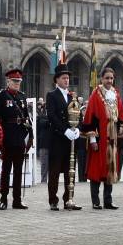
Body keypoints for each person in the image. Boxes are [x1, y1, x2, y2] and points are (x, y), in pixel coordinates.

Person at [81, 67, 123, 210]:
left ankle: (108, 200)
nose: (109, 81)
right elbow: (90, 118)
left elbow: (121, 116)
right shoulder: (96, 94)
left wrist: (120, 127)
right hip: (100, 139)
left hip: (112, 139)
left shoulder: (116, 94)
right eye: (107, 78)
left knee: (110, 169)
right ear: (102, 79)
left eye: (111, 78)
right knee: (96, 170)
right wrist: (93, 139)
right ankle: (95, 201)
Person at [0, 68, 32, 210]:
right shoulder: (2, 96)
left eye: (19, 81)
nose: (17, 84)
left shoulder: (22, 96)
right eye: (14, 81)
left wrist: (29, 136)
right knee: (6, 169)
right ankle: (3, 198)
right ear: (8, 81)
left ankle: (17, 199)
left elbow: (27, 118)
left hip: (19, 137)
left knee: (18, 170)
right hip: (7, 137)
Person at [45, 63, 82, 211]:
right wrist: (65, 130)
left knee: (70, 171)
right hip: (58, 138)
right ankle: (53, 200)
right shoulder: (52, 95)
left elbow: (79, 115)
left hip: (71, 140)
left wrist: (78, 129)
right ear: (57, 80)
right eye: (64, 78)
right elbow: (52, 116)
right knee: (54, 172)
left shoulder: (71, 96)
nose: (67, 81)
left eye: (67, 78)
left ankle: (69, 199)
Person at [36, 98, 50, 183]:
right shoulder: (41, 116)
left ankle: (51, 180)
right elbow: (43, 123)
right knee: (44, 164)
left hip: (52, 144)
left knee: (52, 165)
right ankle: (44, 180)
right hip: (43, 144)